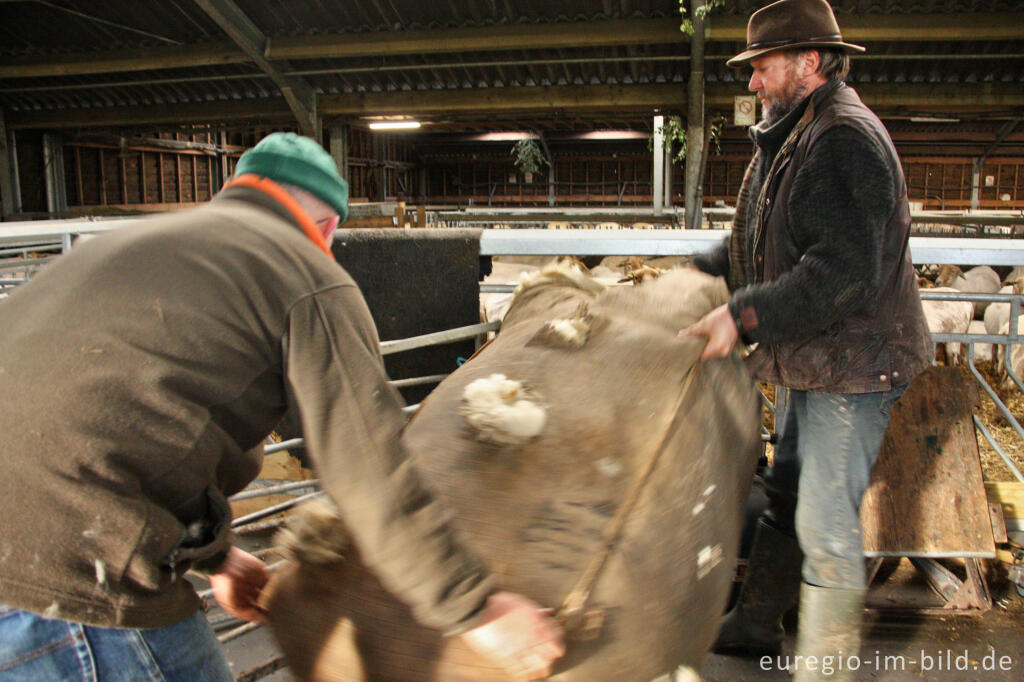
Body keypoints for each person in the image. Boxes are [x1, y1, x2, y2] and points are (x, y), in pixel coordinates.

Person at [0, 133, 564, 681]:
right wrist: (475, 609)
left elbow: (129, 421)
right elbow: (369, 467)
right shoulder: (304, 275)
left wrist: (216, 556)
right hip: (68, 577)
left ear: (238, 189)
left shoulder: (129, 245)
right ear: (328, 227)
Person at [681, 1, 933, 679]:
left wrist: (745, 317)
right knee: (788, 488)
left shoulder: (843, 139)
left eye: (762, 67)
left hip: (854, 366)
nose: (754, 83)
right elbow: (756, 245)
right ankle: (758, 620)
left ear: (809, 62)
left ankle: (826, 665)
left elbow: (843, 272)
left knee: (825, 523)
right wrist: (687, 277)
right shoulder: (793, 134)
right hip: (813, 357)